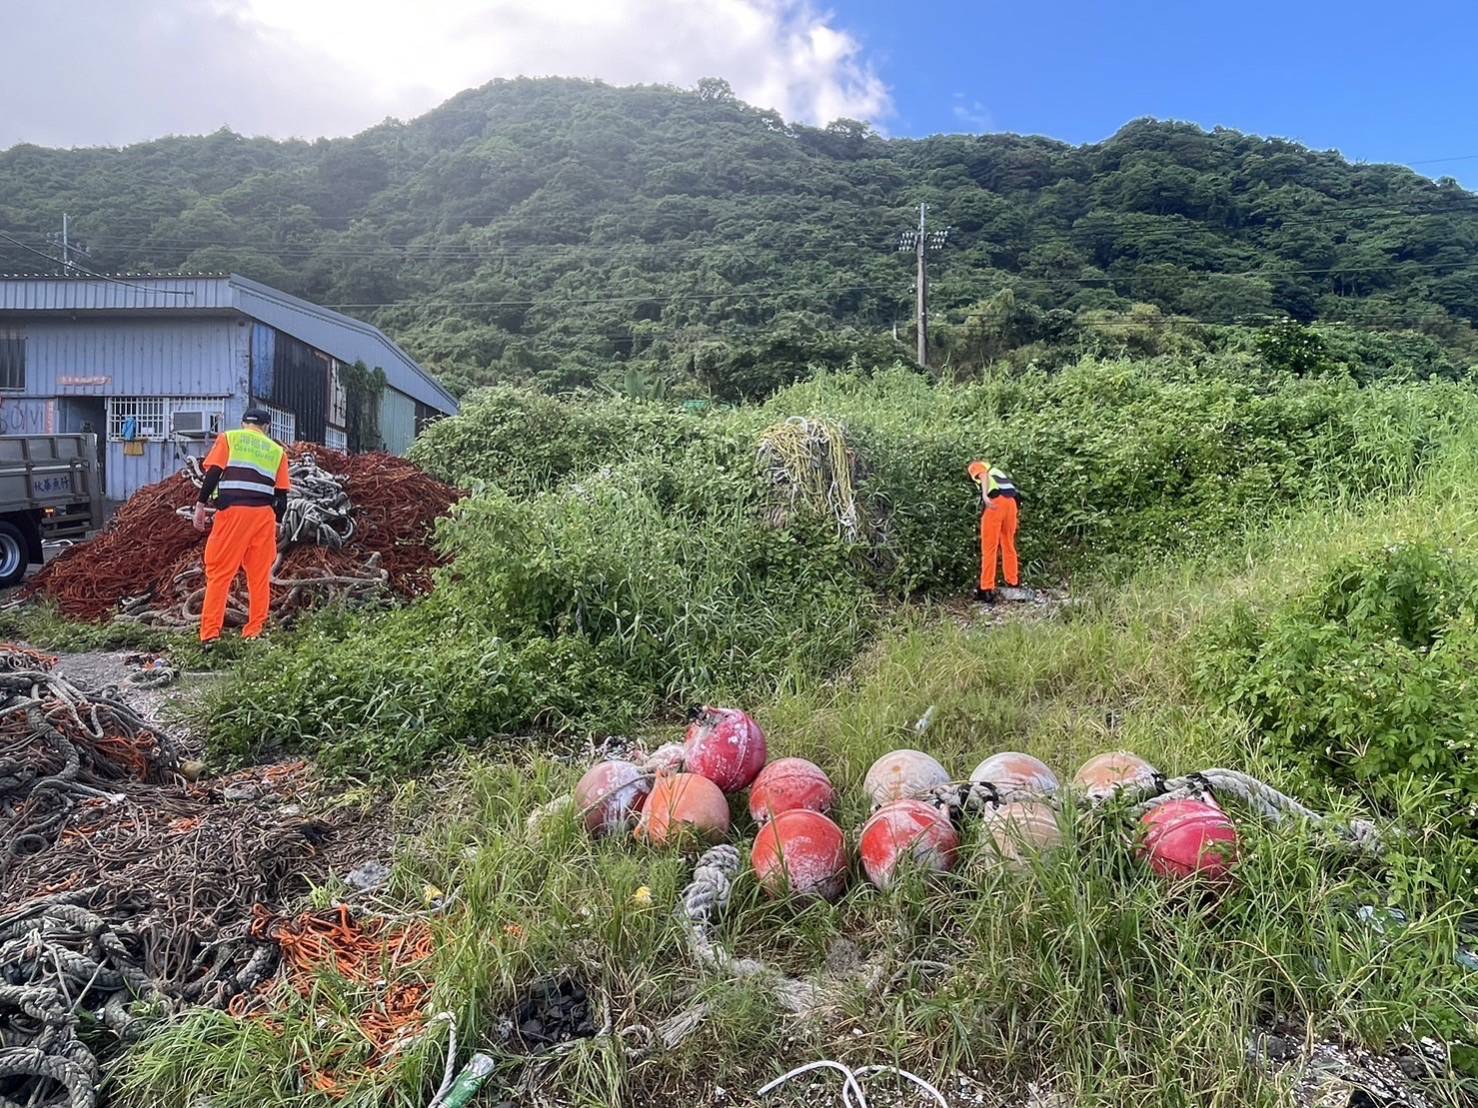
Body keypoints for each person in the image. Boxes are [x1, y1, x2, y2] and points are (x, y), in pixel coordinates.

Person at [192, 409, 289, 646]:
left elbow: (213, 473)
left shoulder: (230, 438)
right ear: (266, 426)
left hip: (233, 514)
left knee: (219, 574)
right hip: (263, 516)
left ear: (244, 423)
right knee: (258, 577)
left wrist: (200, 504)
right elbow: (282, 496)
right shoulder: (277, 451)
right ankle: (254, 631)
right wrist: (276, 523)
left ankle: (210, 636)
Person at [967, 460, 1020, 603]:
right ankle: (1013, 582)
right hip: (1011, 504)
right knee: (1008, 544)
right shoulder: (997, 472)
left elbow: (982, 474)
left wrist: (985, 495)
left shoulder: (977, 466)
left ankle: (986, 588)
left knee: (989, 548)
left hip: (995, 504)